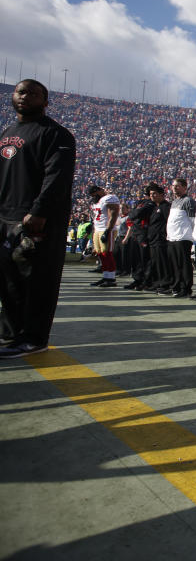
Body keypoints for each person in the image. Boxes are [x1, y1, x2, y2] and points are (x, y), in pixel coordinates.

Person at [0, 79, 76, 358]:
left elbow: (57, 177)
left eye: (33, 93)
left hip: (38, 219)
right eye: (21, 92)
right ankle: (11, 334)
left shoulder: (57, 134)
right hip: (5, 217)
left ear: (45, 102)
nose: (25, 97)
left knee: (37, 281)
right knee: (8, 280)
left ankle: (34, 338)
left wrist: (40, 210)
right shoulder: (7, 131)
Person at [166, 178, 196, 298]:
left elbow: (193, 221)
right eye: (173, 186)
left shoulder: (188, 201)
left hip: (183, 238)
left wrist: (193, 237)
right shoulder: (174, 202)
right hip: (173, 238)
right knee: (174, 264)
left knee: (184, 264)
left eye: (177, 186)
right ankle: (177, 286)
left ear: (184, 187)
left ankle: (186, 288)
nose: (174, 188)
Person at [87, 184, 120, 287]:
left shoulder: (109, 198)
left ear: (100, 190)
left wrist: (108, 230)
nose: (94, 197)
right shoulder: (98, 201)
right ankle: (106, 276)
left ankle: (111, 278)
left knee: (107, 253)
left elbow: (113, 214)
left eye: (95, 194)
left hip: (105, 228)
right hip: (98, 228)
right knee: (100, 253)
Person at [145, 183, 173, 294]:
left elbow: (168, 222)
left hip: (161, 239)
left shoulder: (165, 207)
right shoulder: (154, 207)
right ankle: (157, 283)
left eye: (154, 194)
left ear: (162, 194)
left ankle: (166, 284)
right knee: (155, 262)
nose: (152, 196)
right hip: (153, 239)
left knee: (163, 263)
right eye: (151, 194)